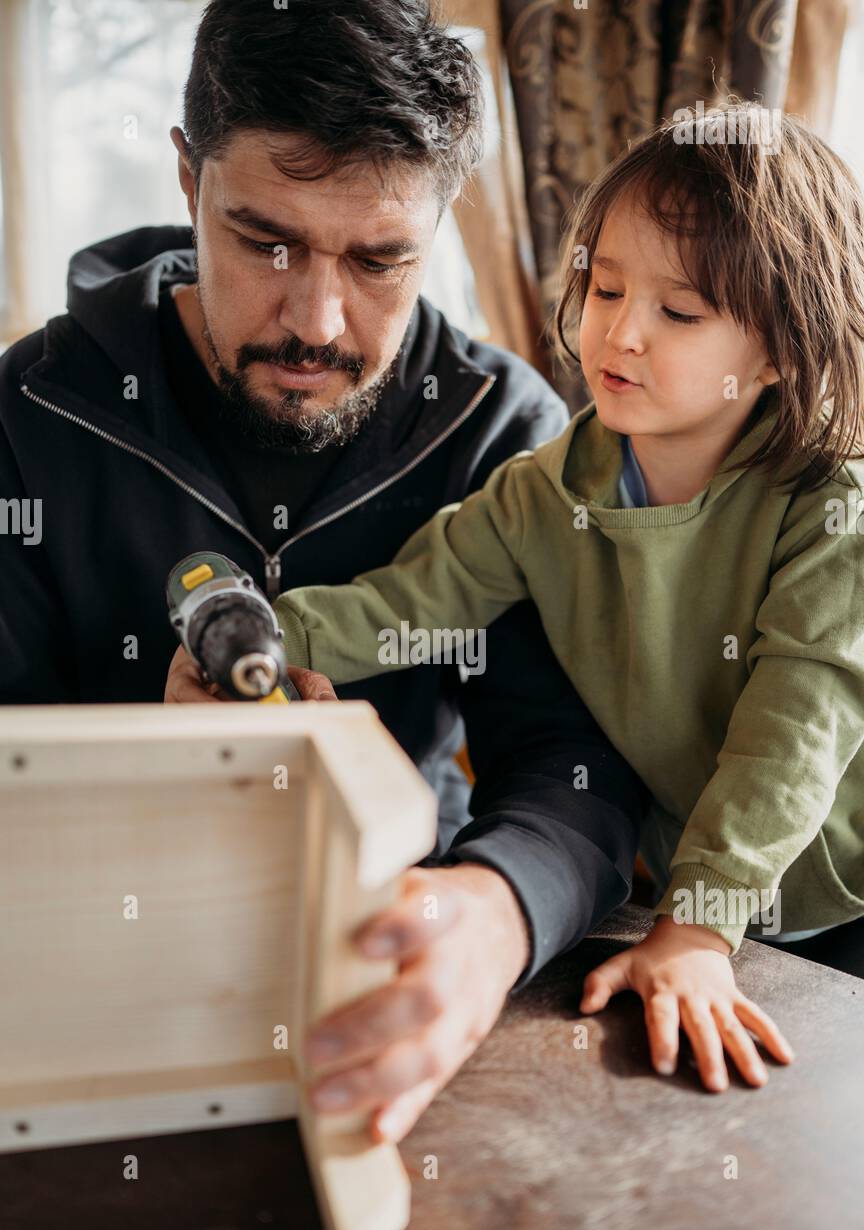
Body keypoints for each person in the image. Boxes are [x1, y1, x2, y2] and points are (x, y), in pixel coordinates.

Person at [0, 0, 645, 1142]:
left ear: (443, 225)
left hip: (393, 974)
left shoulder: (506, 438)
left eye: (381, 258)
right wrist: (142, 758)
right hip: (85, 1004)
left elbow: (576, 764)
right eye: (267, 241)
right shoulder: (29, 414)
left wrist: (492, 916)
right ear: (187, 176)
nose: (318, 319)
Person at [269, 103, 864, 1092]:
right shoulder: (540, 493)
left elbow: (792, 730)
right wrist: (266, 638)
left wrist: (699, 925)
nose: (619, 334)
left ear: (779, 352)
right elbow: (412, 599)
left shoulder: (831, 506)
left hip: (837, 884)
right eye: (604, 284)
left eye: (679, 313)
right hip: (697, 896)